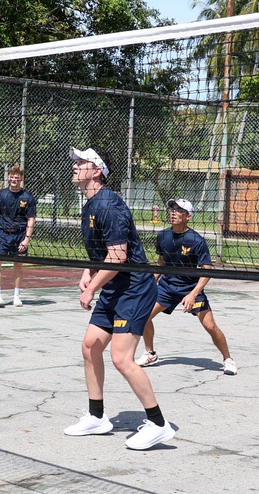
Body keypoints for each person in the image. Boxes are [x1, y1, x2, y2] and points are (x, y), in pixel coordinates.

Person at [64, 147, 175, 450]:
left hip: (135, 288)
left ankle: (158, 424)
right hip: (115, 286)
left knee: (121, 358)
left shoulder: (109, 205)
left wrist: (91, 288)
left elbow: (117, 256)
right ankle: (97, 417)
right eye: (75, 162)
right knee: (90, 347)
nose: (75, 166)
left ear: (97, 171)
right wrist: (89, 271)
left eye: (81, 163)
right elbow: (101, 252)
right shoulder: (89, 205)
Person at [139, 198, 238, 375]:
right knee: (143, 316)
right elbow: (161, 263)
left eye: (178, 210)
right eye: (172, 209)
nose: (173, 213)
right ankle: (150, 353)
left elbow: (207, 270)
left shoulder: (196, 240)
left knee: (210, 326)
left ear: (188, 216)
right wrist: (150, 282)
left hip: (190, 287)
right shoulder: (162, 236)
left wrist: (193, 294)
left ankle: (228, 359)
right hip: (167, 287)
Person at [0, 165, 37, 308]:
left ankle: (16, 296)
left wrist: (26, 239)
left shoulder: (28, 197)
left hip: (20, 234)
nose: (14, 178)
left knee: (18, 265)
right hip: (3, 234)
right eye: (12, 176)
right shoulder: (0, 195)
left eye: (17, 177)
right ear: (9, 177)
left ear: (21, 178)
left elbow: (31, 219)